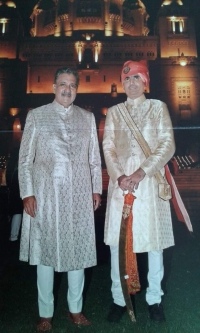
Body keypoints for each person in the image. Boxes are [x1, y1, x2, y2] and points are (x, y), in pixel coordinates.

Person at [18, 67, 102, 331]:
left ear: (78, 89)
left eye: (73, 85)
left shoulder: (87, 118)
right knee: (45, 254)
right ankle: (46, 313)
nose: (68, 89)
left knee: (77, 252)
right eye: (63, 84)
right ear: (53, 87)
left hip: (78, 197)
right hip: (45, 196)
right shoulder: (38, 116)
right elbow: (25, 160)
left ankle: (75, 309)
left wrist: (95, 189)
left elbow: (94, 160)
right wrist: (27, 192)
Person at [103, 60, 175, 323]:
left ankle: (154, 300)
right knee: (117, 246)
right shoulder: (114, 112)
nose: (131, 84)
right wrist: (120, 176)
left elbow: (167, 145)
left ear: (145, 81)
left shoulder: (158, 108)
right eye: (127, 79)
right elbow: (108, 147)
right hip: (121, 187)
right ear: (122, 84)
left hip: (149, 183)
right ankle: (119, 299)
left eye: (136, 78)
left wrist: (141, 172)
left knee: (154, 245)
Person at [6, 146, 23, 241]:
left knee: (16, 212)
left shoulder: (11, 165)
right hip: (18, 190)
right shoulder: (19, 167)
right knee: (18, 212)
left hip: (13, 190)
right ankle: (14, 235)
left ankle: (13, 235)